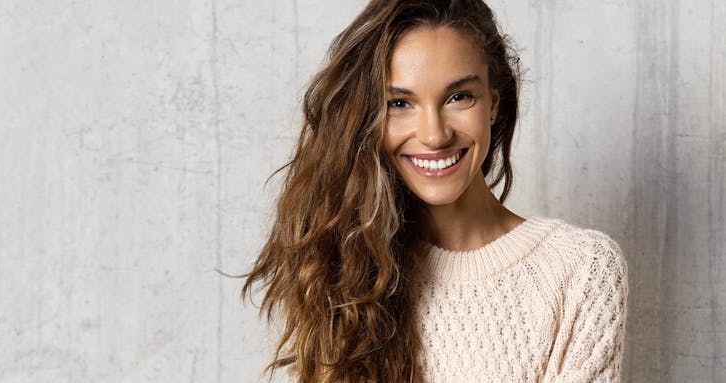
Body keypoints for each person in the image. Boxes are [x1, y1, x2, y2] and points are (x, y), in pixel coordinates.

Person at [241, 0, 629, 382]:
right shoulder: (348, 269)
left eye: (459, 97)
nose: (433, 134)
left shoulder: (581, 270)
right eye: (399, 103)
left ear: (492, 103)